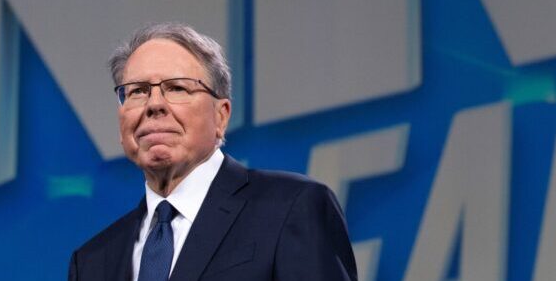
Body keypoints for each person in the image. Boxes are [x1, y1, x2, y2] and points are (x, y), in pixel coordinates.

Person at [68, 22, 357, 280]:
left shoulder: (291, 208)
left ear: (221, 116)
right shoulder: (93, 262)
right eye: (137, 91)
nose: (154, 104)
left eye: (177, 88)